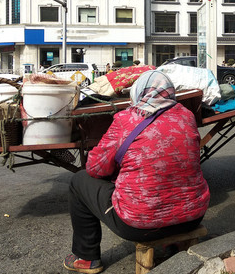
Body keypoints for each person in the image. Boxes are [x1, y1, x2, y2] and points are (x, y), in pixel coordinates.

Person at [63, 70, 210, 273]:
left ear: (139, 92)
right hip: (193, 217)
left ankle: (86, 257)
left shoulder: (126, 119)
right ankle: (173, 244)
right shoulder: (186, 116)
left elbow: (95, 168)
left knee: (79, 181)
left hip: (140, 226)